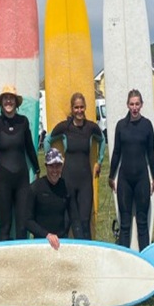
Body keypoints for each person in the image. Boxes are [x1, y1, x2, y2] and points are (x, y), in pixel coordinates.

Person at [0, 85, 40, 241]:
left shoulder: (23, 122)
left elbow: (29, 147)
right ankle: (2, 257)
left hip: (22, 180)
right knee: (5, 227)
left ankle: (22, 257)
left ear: (16, 102)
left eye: (11, 98)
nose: (8, 101)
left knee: (22, 226)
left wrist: (37, 169)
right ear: (1, 102)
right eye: (5, 98)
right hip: (3, 180)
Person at [44, 93, 105, 238]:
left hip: (85, 182)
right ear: (72, 109)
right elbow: (47, 140)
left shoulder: (91, 128)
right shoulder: (65, 127)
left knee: (85, 223)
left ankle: (86, 251)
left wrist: (99, 161)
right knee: (65, 222)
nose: (79, 110)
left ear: (85, 108)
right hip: (67, 180)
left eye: (82, 107)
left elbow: (102, 140)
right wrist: (52, 164)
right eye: (76, 107)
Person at [108, 89, 154, 250]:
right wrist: (111, 176)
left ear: (141, 105)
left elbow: (151, 154)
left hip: (141, 179)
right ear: (127, 105)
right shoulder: (121, 126)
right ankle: (125, 259)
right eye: (132, 104)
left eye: (137, 104)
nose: (134, 107)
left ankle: (144, 258)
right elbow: (116, 152)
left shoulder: (147, 125)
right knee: (125, 224)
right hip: (125, 179)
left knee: (142, 224)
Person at [26, 148, 81, 250]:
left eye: (58, 166)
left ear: (62, 166)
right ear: (46, 166)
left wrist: (81, 243)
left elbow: (75, 218)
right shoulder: (35, 188)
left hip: (61, 242)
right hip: (41, 242)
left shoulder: (67, 187)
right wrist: (47, 235)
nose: (55, 170)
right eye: (51, 166)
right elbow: (27, 221)